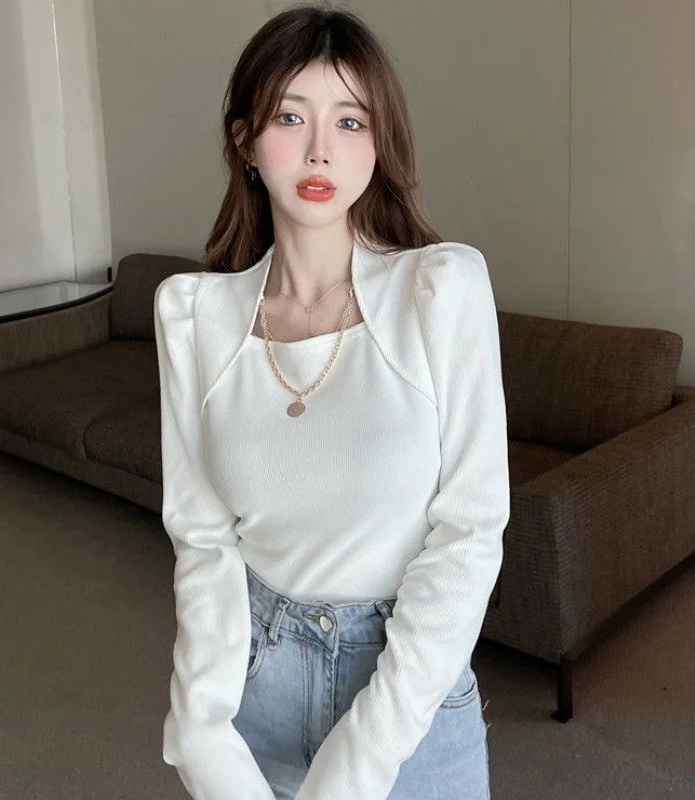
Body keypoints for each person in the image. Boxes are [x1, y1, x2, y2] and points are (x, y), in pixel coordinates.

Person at [153, 4, 510, 799]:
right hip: (257, 684)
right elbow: (203, 539)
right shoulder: (193, 315)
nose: (321, 150)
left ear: (380, 145)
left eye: (351, 121)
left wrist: (359, 761)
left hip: (407, 692)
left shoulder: (440, 290)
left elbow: (470, 532)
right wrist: (200, 729)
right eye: (290, 117)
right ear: (245, 139)